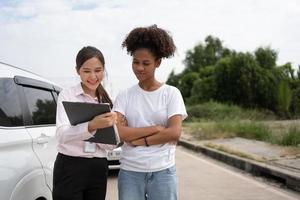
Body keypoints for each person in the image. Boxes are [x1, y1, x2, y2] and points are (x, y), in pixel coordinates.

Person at [113, 25, 187, 200]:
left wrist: (140, 142)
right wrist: (157, 129)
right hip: (130, 172)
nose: (139, 68)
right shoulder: (124, 96)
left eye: (146, 63)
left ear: (158, 63)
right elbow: (120, 132)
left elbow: (175, 133)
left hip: (163, 171)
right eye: (135, 62)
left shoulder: (171, 93)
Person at [52, 46, 117, 200]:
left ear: (104, 70)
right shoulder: (67, 95)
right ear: (77, 70)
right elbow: (61, 135)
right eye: (86, 71)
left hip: (98, 168)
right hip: (69, 166)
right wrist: (92, 126)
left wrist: (110, 129)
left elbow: (111, 146)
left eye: (98, 70)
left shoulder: (109, 101)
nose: (93, 76)